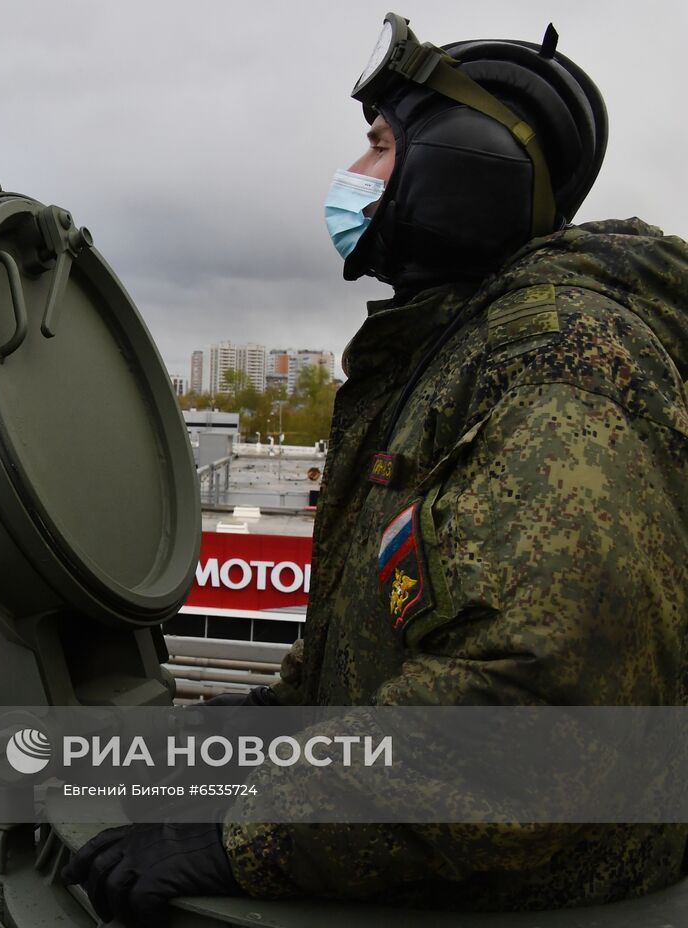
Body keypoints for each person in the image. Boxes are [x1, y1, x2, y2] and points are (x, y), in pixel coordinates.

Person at [65, 13, 688, 925]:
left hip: (529, 893)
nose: (353, 175)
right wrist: (256, 732)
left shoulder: (560, 363)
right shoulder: (453, 357)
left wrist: (247, 839)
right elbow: (395, 649)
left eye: (380, 145)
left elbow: (532, 706)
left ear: (465, 169)